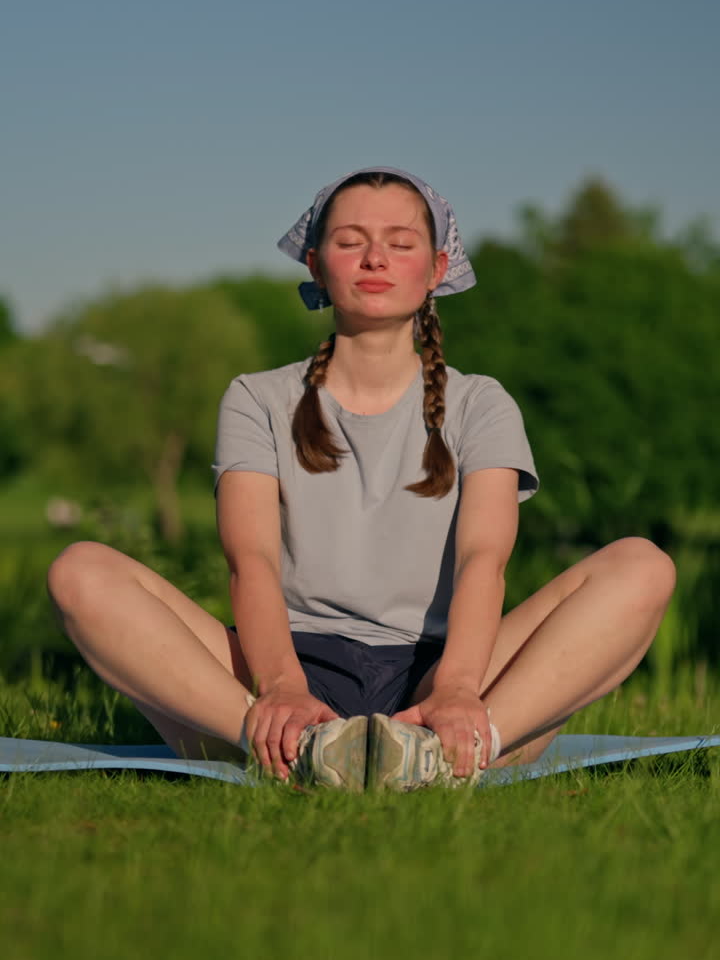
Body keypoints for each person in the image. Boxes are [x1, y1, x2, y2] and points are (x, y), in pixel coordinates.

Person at [46, 166, 676, 792]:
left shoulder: (482, 403)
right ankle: (295, 744)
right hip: (280, 668)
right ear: (317, 266)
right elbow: (251, 561)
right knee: (80, 571)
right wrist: (281, 688)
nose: (375, 258)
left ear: (435, 269)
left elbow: (483, 561)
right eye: (350, 242)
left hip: (443, 672)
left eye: (400, 244)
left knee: (643, 567)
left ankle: (453, 743)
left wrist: (456, 690)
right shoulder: (256, 398)